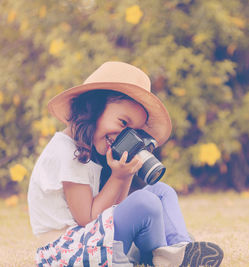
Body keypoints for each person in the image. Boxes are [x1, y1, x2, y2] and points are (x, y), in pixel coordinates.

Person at [27, 61, 224, 267]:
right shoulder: (67, 151)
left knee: (161, 191)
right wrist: (118, 177)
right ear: (94, 108)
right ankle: (164, 255)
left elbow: (112, 210)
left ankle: (179, 249)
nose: (124, 136)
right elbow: (88, 220)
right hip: (68, 248)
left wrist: (127, 173)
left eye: (133, 132)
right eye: (123, 123)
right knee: (144, 203)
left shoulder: (86, 151)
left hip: (94, 239)